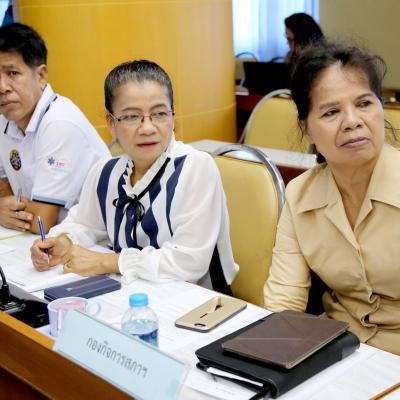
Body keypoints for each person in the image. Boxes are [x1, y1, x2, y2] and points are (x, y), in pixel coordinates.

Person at [31, 60, 239, 293]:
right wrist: (63, 241)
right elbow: (84, 224)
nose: (147, 128)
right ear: (111, 123)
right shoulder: (105, 172)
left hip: (200, 302)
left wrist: (106, 262)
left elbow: (189, 261)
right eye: (131, 116)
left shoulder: (196, 167)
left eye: (159, 114)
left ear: (173, 117)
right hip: (131, 295)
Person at [264, 40, 400, 355]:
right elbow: (284, 302)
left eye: (364, 103)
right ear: (306, 129)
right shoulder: (300, 195)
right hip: (339, 348)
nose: (352, 121)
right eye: (331, 112)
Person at [0, 23, 110, 234]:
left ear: (41, 76)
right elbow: (3, 187)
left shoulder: (60, 123)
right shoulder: (5, 120)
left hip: (95, 241)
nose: (2, 87)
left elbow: (41, 222)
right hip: (45, 239)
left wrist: (4, 209)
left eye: (12, 73)